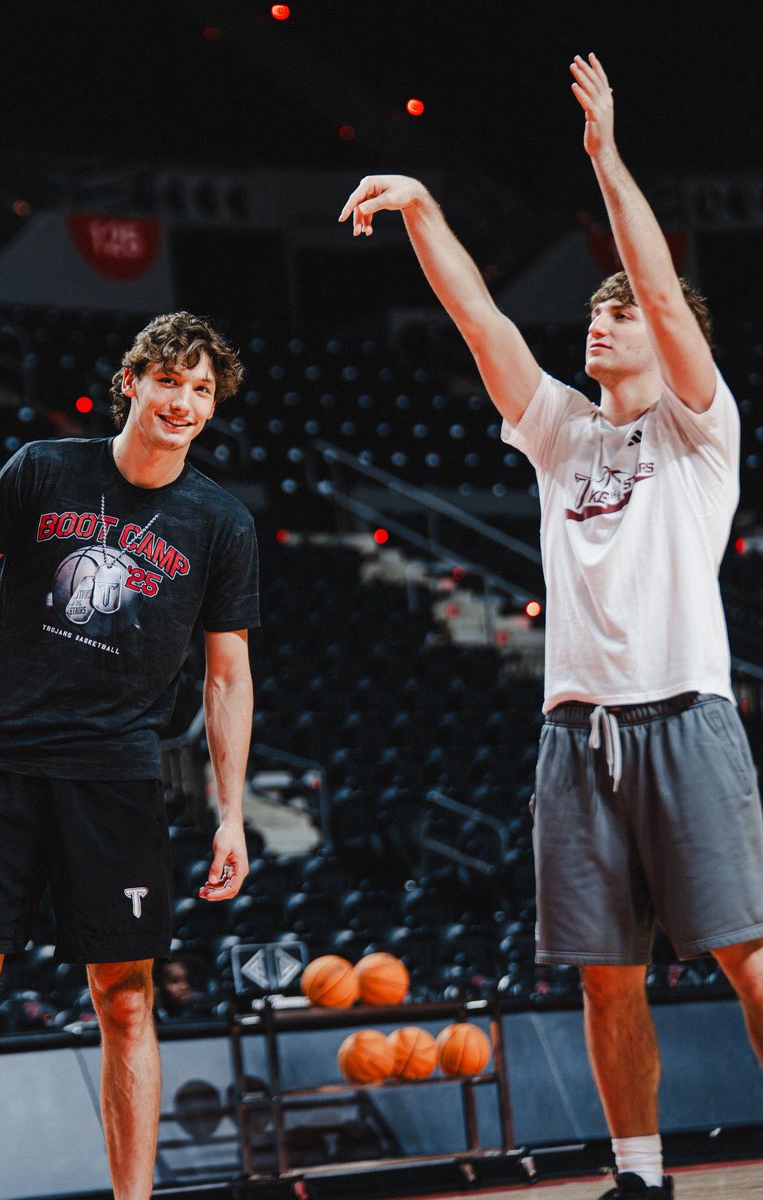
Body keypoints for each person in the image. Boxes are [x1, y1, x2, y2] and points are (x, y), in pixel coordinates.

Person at [339, 54, 763, 1200]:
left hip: (687, 719)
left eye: (616, 309)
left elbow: (665, 293)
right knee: (604, 979)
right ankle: (639, 1176)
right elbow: (479, 320)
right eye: (595, 309)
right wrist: (423, 205)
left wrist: (604, 158)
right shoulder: (559, 432)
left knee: (750, 959)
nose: (604, 319)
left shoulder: (698, 426)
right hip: (575, 739)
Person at [0, 311, 260, 1200]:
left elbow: (227, 678)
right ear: (133, 381)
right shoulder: (41, 468)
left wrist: (230, 812)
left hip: (115, 774)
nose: (184, 402)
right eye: (170, 381)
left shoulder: (220, 522)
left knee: (128, 999)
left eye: (202, 390)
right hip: (1, 762)